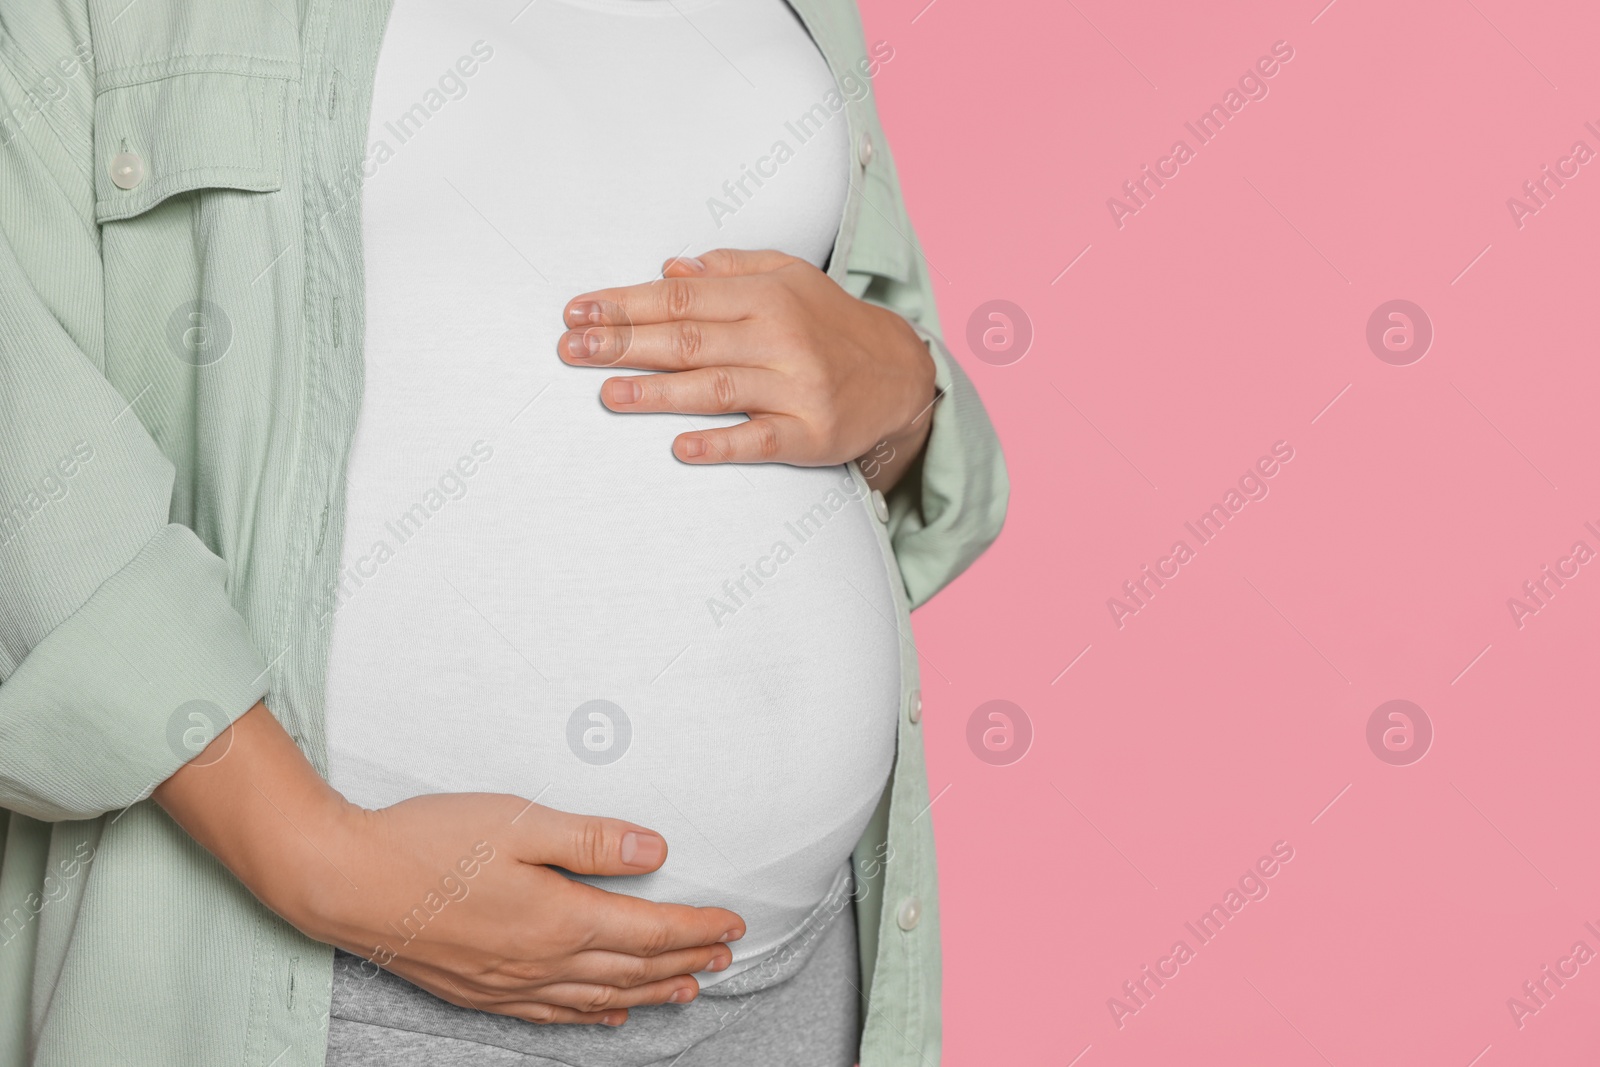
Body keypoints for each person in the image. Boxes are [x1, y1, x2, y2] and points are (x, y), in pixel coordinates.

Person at [0, 1, 1007, 1065]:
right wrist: (312, 854)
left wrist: (904, 390)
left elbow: (857, 378)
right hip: (321, 983)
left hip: (798, 986)